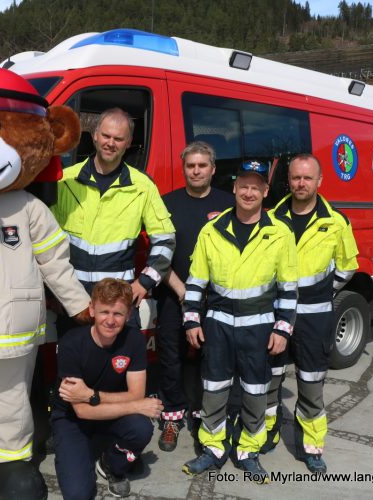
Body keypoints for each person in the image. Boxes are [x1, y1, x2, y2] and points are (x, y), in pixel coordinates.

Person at [181, 160, 298, 483]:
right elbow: (196, 282)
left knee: (256, 391)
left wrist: (283, 329)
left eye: (255, 186)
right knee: (214, 390)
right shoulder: (212, 229)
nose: (248, 192)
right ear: (234, 188)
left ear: (264, 191)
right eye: (243, 185)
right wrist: (192, 321)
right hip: (218, 324)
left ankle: (248, 450)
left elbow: (289, 288)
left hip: (259, 326)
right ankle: (213, 448)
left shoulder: (279, 233)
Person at [262, 153, 359, 473]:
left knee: (311, 382)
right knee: (270, 379)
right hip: (277, 314)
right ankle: (268, 433)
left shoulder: (336, 221)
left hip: (315, 316)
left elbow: (347, 267)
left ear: (319, 181)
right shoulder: (272, 218)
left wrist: (320, 292)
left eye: (307, 178)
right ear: (287, 180)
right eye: (295, 177)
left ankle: (311, 446)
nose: (300, 183)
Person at [51, 107, 175, 324]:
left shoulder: (142, 186)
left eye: (118, 139)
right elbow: (44, 242)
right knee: (75, 358)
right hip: (74, 300)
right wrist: (53, 290)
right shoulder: (65, 181)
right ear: (95, 135)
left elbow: (166, 241)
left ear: (128, 143)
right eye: (106, 136)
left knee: (122, 359)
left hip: (120, 303)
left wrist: (144, 283)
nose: (110, 143)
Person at [51, 278, 163, 499]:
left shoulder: (134, 340)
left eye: (118, 314)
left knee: (141, 428)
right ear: (92, 310)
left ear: (129, 314)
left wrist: (90, 395)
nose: (110, 320)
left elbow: (136, 395)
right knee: (78, 494)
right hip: (71, 418)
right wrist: (134, 404)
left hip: (107, 412)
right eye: (104, 312)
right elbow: (82, 410)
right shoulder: (71, 343)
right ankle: (82, 448)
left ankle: (111, 463)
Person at [155, 142, 234, 452]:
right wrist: (182, 290)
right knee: (170, 357)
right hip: (175, 292)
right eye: (191, 166)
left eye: (202, 165)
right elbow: (159, 255)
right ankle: (172, 417)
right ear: (183, 168)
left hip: (214, 298)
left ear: (213, 169)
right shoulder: (166, 204)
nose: (197, 170)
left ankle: (206, 416)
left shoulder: (229, 205)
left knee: (211, 358)